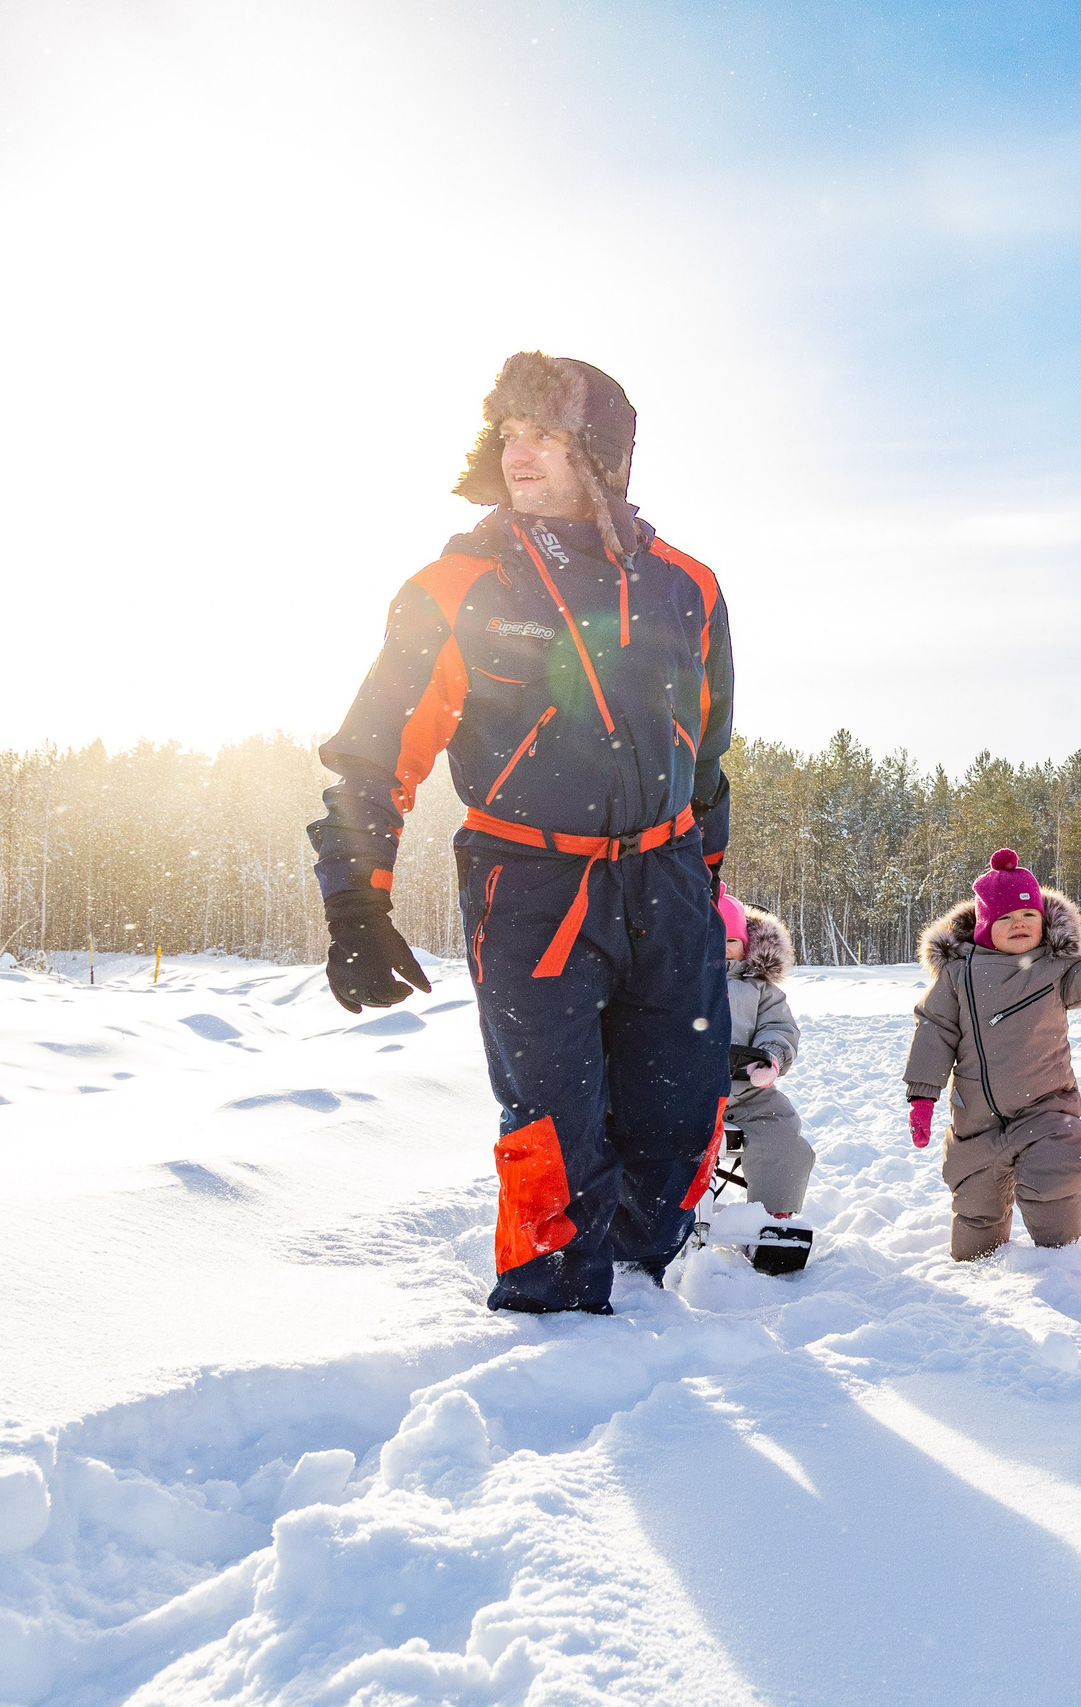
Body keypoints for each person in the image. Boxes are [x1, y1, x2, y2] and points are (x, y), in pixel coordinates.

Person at [308, 352, 737, 1315]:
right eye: (509, 434)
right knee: (553, 1124)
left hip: (666, 886)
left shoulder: (690, 587)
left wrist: (701, 884)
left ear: (606, 456)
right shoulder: (456, 585)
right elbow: (375, 755)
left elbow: (707, 758)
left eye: (545, 434)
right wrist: (355, 895)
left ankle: (644, 1290)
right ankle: (554, 1316)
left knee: (681, 1116)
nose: (520, 454)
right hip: (532, 888)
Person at [904, 850, 1081, 1260]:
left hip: (1046, 1110)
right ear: (983, 927)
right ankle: (976, 1277)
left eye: (1029, 917)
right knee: (976, 1213)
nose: (1019, 925)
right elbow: (933, 1030)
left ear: (1043, 923)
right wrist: (923, 1096)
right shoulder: (959, 975)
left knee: (1054, 1178)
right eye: (1005, 919)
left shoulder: (1055, 968)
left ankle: (1064, 1263)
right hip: (975, 1121)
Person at [708, 891, 815, 1274]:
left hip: (746, 1091)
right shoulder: (670, 983)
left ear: (746, 945)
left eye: (730, 940)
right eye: (708, 935)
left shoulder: (760, 990)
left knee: (783, 1134)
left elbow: (780, 1029)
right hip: (676, 1093)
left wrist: (770, 1057)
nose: (720, 948)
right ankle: (643, 1218)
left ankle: (776, 1217)